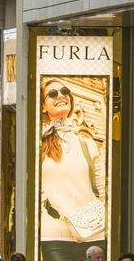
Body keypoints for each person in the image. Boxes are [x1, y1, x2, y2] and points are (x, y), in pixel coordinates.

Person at [40, 79, 105, 261]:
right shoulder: (38, 144)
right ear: (44, 106)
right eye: (52, 94)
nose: (60, 96)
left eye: (64, 91)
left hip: (93, 233)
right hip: (54, 234)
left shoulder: (87, 143)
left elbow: (102, 188)